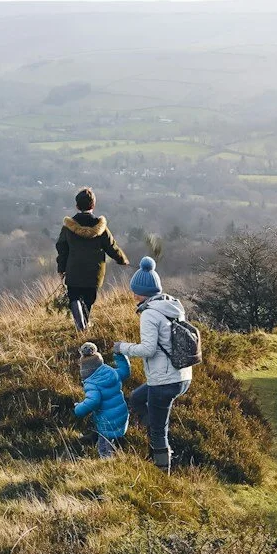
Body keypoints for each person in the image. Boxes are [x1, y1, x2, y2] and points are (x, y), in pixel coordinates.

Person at [116, 255, 195, 471]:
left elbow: (148, 349)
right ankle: (155, 440)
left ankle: (162, 471)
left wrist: (122, 347)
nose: (132, 294)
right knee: (137, 398)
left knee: (160, 430)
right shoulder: (172, 307)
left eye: (135, 290)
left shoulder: (150, 314)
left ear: (142, 292)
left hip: (165, 381)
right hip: (182, 376)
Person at [53, 187, 129, 330]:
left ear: (77, 206)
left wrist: (61, 268)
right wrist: (122, 260)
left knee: (74, 296)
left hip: (74, 270)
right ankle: (85, 323)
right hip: (94, 272)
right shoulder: (101, 227)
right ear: (93, 205)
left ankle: (79, 319)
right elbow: (111, 246)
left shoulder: (68, 228)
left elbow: (62, 249)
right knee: (89, 299)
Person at [71, 341, 130, 457]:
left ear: (85, 370)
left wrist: (78, 409)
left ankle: (108, 462)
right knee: (111, 438)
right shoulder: (112, 372)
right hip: (121, 413)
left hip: (107, 421)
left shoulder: (92, 383)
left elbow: (93, 401)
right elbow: (125, 371)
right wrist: (120, 356)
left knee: (104, 447)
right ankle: (116, 453)